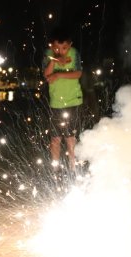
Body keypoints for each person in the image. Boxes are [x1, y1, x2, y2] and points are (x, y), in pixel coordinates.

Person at [43, 27, 83, 174]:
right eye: (57, 48)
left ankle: (73, 168)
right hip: (56, 103)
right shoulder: (48, 55)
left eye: (64, 48)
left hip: (73, 100)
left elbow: (78, 73)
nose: (61, 51)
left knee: (70, 136)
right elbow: (46, 75)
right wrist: (54, 60)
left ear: (70, 45)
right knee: (55, 138)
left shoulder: (74, 53)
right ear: (52, 46)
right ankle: (55, 169)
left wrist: (59, 75)